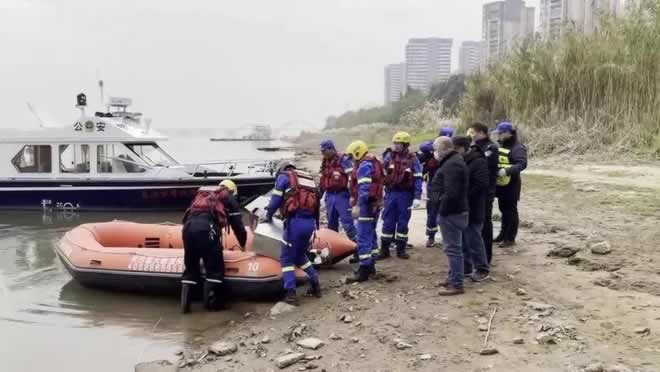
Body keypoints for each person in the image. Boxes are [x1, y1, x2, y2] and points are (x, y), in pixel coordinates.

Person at [260, 160, 322, 306]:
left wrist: (268, 215)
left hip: (295, 222)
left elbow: (275, 200)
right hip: (309, 223)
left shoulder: (284, 177)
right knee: (300, 255)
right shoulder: (306, 179)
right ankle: (315, 284)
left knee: (286, 258)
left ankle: (291, 294)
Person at [180, 179, 247, 313]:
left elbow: (188, 215)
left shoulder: (202, 195)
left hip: (188, 229)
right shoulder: (228, 198)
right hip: (207, 230)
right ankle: (211, 305)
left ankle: (185, 308)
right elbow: (238, 226)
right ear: (232, 191)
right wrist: (243, 245)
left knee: (191, 268)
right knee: (214, 268)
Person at [429, 136, 469, 296]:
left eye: (436, 150)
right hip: (454, 211)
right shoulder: (453, 162)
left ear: (445, 149)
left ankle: (457, 284)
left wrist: (441, 208)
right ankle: (453, 277)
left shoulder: (453, 164)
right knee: (453, 248)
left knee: (453, 249)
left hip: (452, 213)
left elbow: (451, 193)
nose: (435, 153)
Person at [379, 132, 423, 260]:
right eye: (395, 143)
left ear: (405, 144)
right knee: (387, 222)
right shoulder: (389, 157)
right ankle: (384, 250)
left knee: (403, 223)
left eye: (399, 144)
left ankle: (401, 249)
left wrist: (417, 197)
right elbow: (381, 173)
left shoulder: (413, 159)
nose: (397, 146)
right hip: (391, 193)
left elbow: (418, 178)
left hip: (405, 195)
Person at [452, 136, 490, 282]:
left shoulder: (478, 161)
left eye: (456, 149)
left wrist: (464, 196)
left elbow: (481, 184)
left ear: (464, 147)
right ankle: (466, 267)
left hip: (474, 207)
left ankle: (482, 269)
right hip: (462, 208)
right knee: (462, 240)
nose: (454, 152)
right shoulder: (460, 160)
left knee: (474, 239)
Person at [346, 140, 384, 283]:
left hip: (367, 207)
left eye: (351, 156)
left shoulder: (364, 166)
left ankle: (364, 271)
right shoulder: (372, 162)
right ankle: (372, 266)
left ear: (357, 153)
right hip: (374, 205)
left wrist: (358, 206)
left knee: (363, 238)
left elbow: (364, 189)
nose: (350, 159)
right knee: (371, 235)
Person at [318, 139, 358, 262]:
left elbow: (352, 179)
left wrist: (353, 196)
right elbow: (322, 182)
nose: (323, 154)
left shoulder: (344, 160)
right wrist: (318, 197)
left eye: (324, 151)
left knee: (348, 224)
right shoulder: (325, 162)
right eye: (322, 151)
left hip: (342, 196)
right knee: (331, 227)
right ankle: (333, 254)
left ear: (331, 148)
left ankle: (358, 250)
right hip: (330, 196)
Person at [467, 122, 499, 263]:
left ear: (481, 133)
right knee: (474, 223)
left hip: (486, 190)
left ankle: (487, 256)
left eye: (473, 132)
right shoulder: (475, 147)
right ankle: (475, 254)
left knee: (485, 222)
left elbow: (486, 166)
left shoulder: (490, 147)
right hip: (475, 190)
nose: (471, 135)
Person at [493, 122, 528, 248]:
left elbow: (522, 164)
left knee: (510, 211)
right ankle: (502, 235)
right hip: (500, 184)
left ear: (509, 133)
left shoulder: (518, 147)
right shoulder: (501, 145)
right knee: (503, 209)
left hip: (511, 184)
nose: (499, 135)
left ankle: (510, 238)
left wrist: (506, 171)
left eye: (501, 133)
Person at [417, 140, 441, 247]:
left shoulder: (449, 153)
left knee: (446, 213)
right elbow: (421, 172)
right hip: (433, 187)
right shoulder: (428, 155)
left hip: (445, 187)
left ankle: (447, 237)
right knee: (432, 212)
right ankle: (431, 237)